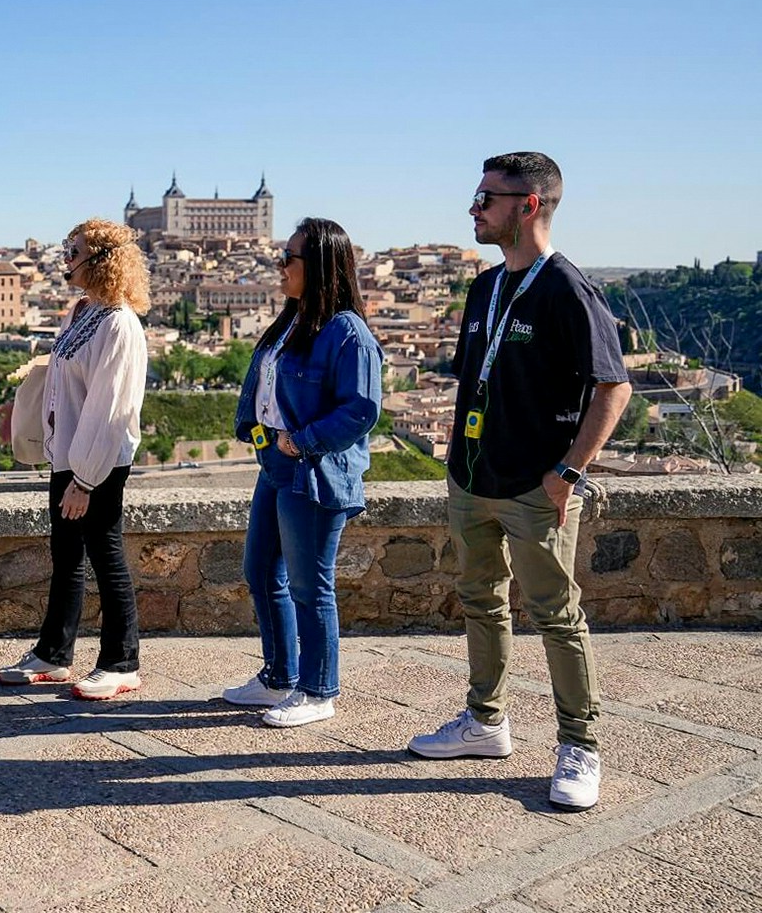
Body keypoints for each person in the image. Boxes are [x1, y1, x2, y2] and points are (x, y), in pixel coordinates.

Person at [407, 152, 630, 812]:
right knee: (481, 602)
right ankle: (485, 722)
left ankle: (580, 745)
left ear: (528, 205)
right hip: (474, 479)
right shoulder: (484, 288)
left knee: (557, 618)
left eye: (487, 198)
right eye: (477, 196)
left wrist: (568, 472)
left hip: (537, 486)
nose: (474, 208)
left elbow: (612, 388)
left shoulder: (567, 289)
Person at [222, 218, 382, 727]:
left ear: (319, 265)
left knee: (310, 586)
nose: (280, 266)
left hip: (313, 470)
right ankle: (278, 678)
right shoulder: (293, 320)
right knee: (261, 571)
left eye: (288, 258)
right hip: (277, 465)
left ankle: (318, 691)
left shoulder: (347, 333)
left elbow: (361, 409)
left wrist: (300, 441)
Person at [0, 218, 149, 700]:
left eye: (73, 251)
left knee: (105, 553)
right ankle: (53, 655)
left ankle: (122, 662)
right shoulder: (83, 312)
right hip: (70, 456)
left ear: (101, 261)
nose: (65, 259)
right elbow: (65, 382)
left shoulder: (119, 324)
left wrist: (84, 480)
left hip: (96, 461)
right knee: (67, 557)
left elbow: (111, 407)